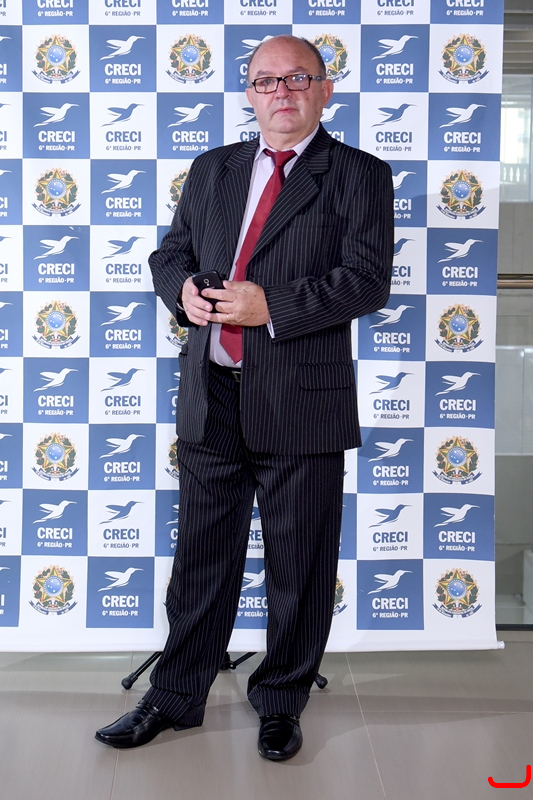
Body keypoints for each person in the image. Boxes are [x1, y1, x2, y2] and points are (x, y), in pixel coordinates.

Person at [96, 34, 394, 761]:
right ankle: (175, 696)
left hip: (302, 397)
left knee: (300, 564)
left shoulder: (359, 174)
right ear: (250, 93)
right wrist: (183, 291)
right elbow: (171, 252)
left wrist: (272, 307)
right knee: (200, 558)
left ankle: (281, 701)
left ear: (324, 90)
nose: (280, 92)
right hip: (212, 394)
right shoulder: (214, 169)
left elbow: (367, 281)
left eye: (297, 79)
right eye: (266, 81)